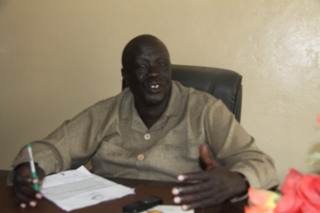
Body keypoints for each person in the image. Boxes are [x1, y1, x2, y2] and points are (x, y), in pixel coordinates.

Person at [10, 35, 279, 210]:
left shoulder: (204, 109)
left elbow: (261, 163)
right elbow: (55, 148)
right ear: (125, 76)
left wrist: (238, 180)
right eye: (142, 66)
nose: (154, 74)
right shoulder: (107, 111)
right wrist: (29, 168)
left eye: (162, 65)